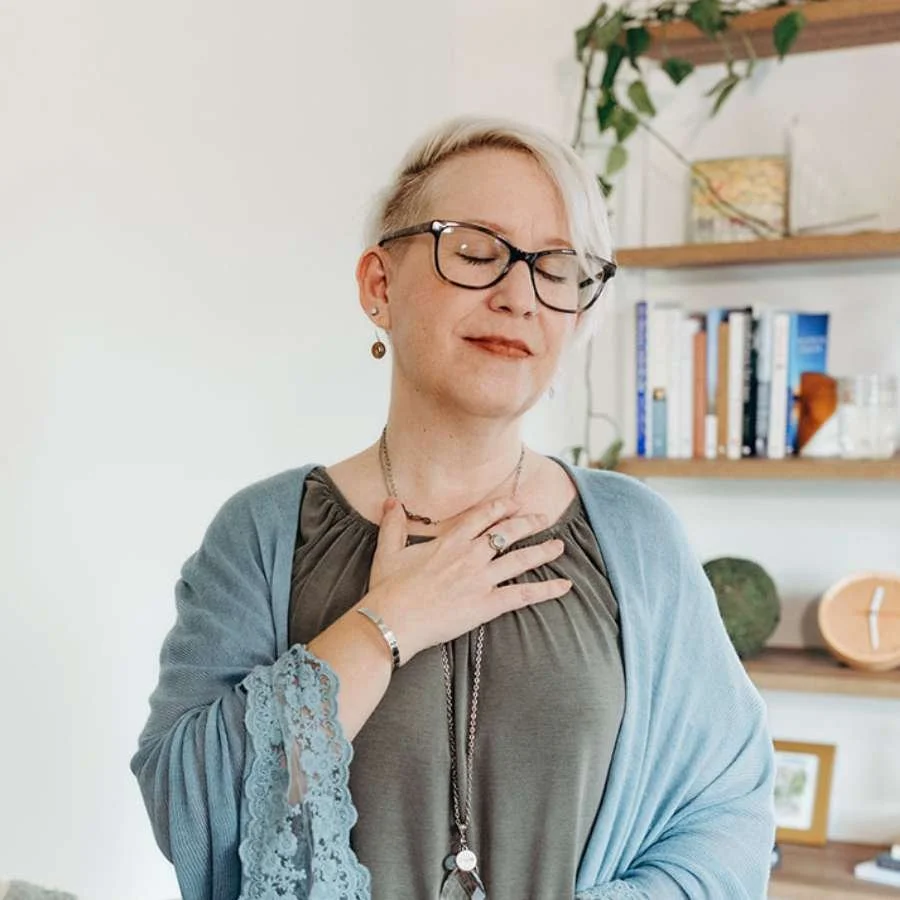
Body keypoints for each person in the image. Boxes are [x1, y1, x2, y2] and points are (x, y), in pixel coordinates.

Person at [131, 116, 776, 900]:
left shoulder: (635, 538)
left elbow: (727, 814)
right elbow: (189, 808)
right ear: (379, 286)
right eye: (476, 252)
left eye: (557, 269)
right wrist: (384, 625)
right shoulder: (264, 534)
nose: (518, 297)